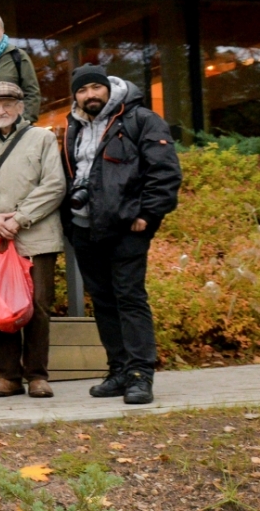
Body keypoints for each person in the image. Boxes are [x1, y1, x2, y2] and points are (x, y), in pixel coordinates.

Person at [61, 64, 182, 405]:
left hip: (126, 227)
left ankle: (140, 375)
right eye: (82, 91)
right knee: (103, 302)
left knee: (130, 299)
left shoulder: (140, 119)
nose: (89, 95)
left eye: (95, 88)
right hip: (84, 228)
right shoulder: (74, 126)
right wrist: (70, 225)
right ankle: (118, 371)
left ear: (109, 88)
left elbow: (165, 171)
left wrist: (148, 214)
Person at [0, 81, 65, 399]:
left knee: (37, 307)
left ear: (21, 107)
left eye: (8, 104)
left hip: (37, 236)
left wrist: (19, 218)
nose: (1, 110)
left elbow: (54, 185)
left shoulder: (43, 138)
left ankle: (37, 375)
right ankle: (8, 376)